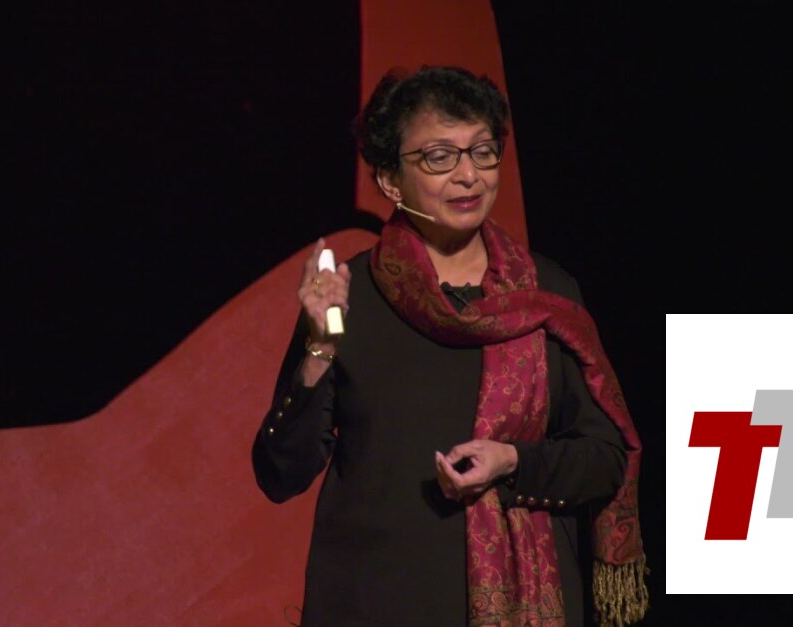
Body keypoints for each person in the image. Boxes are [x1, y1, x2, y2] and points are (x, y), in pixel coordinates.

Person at [252, 65, 647, 626]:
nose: (468, 175)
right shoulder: (349, 296)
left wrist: (515, 462)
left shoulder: (546, 293)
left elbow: (606, 459)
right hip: (379, 604)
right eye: (440, 157)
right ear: (391, 180)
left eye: (482, 153)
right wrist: (318, 351)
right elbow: (280, 475)